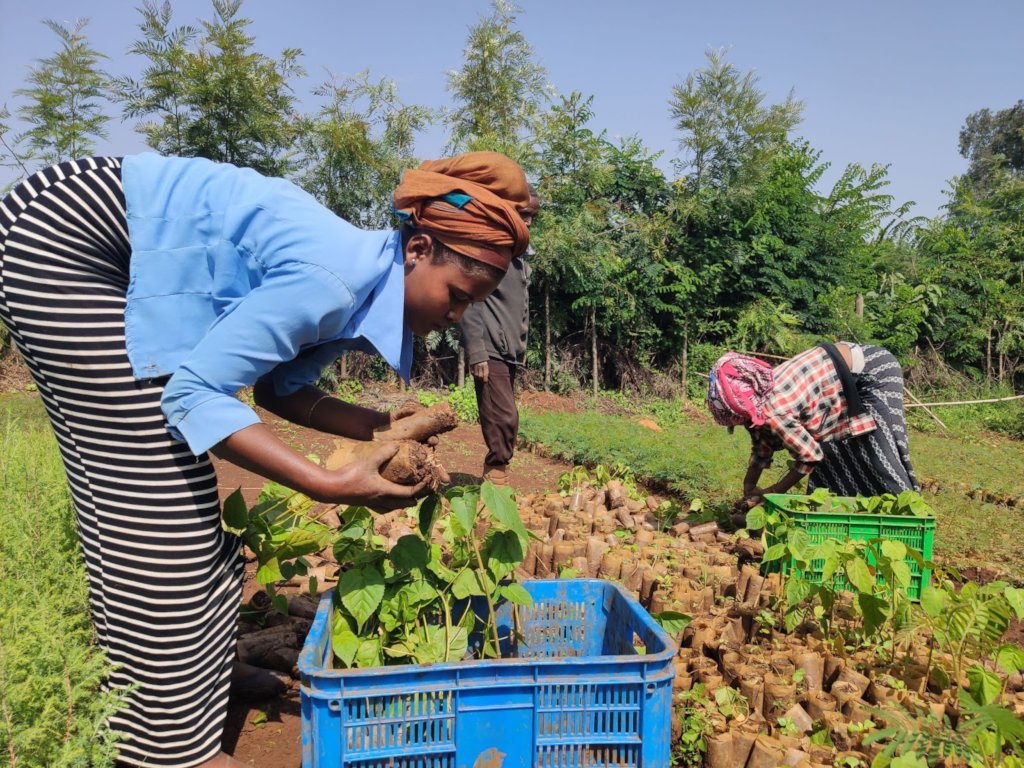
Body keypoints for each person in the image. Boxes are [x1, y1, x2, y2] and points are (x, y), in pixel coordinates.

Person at [0, 151, 531, 768]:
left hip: (109, 237)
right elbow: (194, 393)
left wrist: (380, 427)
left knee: (193, 505)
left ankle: (204, 681)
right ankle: (167, 749)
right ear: (417, 250)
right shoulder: (332, 279)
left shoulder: (361, 287)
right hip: (68, 233)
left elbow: (277, 389)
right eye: (457, 296)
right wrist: (325, 483)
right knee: (155, 504)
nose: (454, 318)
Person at [706, 343, 919, 507]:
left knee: (879, 457)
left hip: (874, 370)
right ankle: (842, 530)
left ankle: (911, 520)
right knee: (832, 466)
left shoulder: (775, 409)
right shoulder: (759, 397)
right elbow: (762, 446)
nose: (743, 424)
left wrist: (774, 491)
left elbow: (810, 456)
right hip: (842, 384)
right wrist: (750, 484)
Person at [458, 184, 539, 485]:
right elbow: (470, 299)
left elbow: (519, 308)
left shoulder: (516, 257)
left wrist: (519, 345)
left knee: (503, 413)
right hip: (489, 348)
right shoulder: (489, 252)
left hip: (507, 351)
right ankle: (496, 476)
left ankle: (496, 479)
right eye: (524, 214)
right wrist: (476, 351)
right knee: (503, 416)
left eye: (533, 217)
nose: (529, 222)